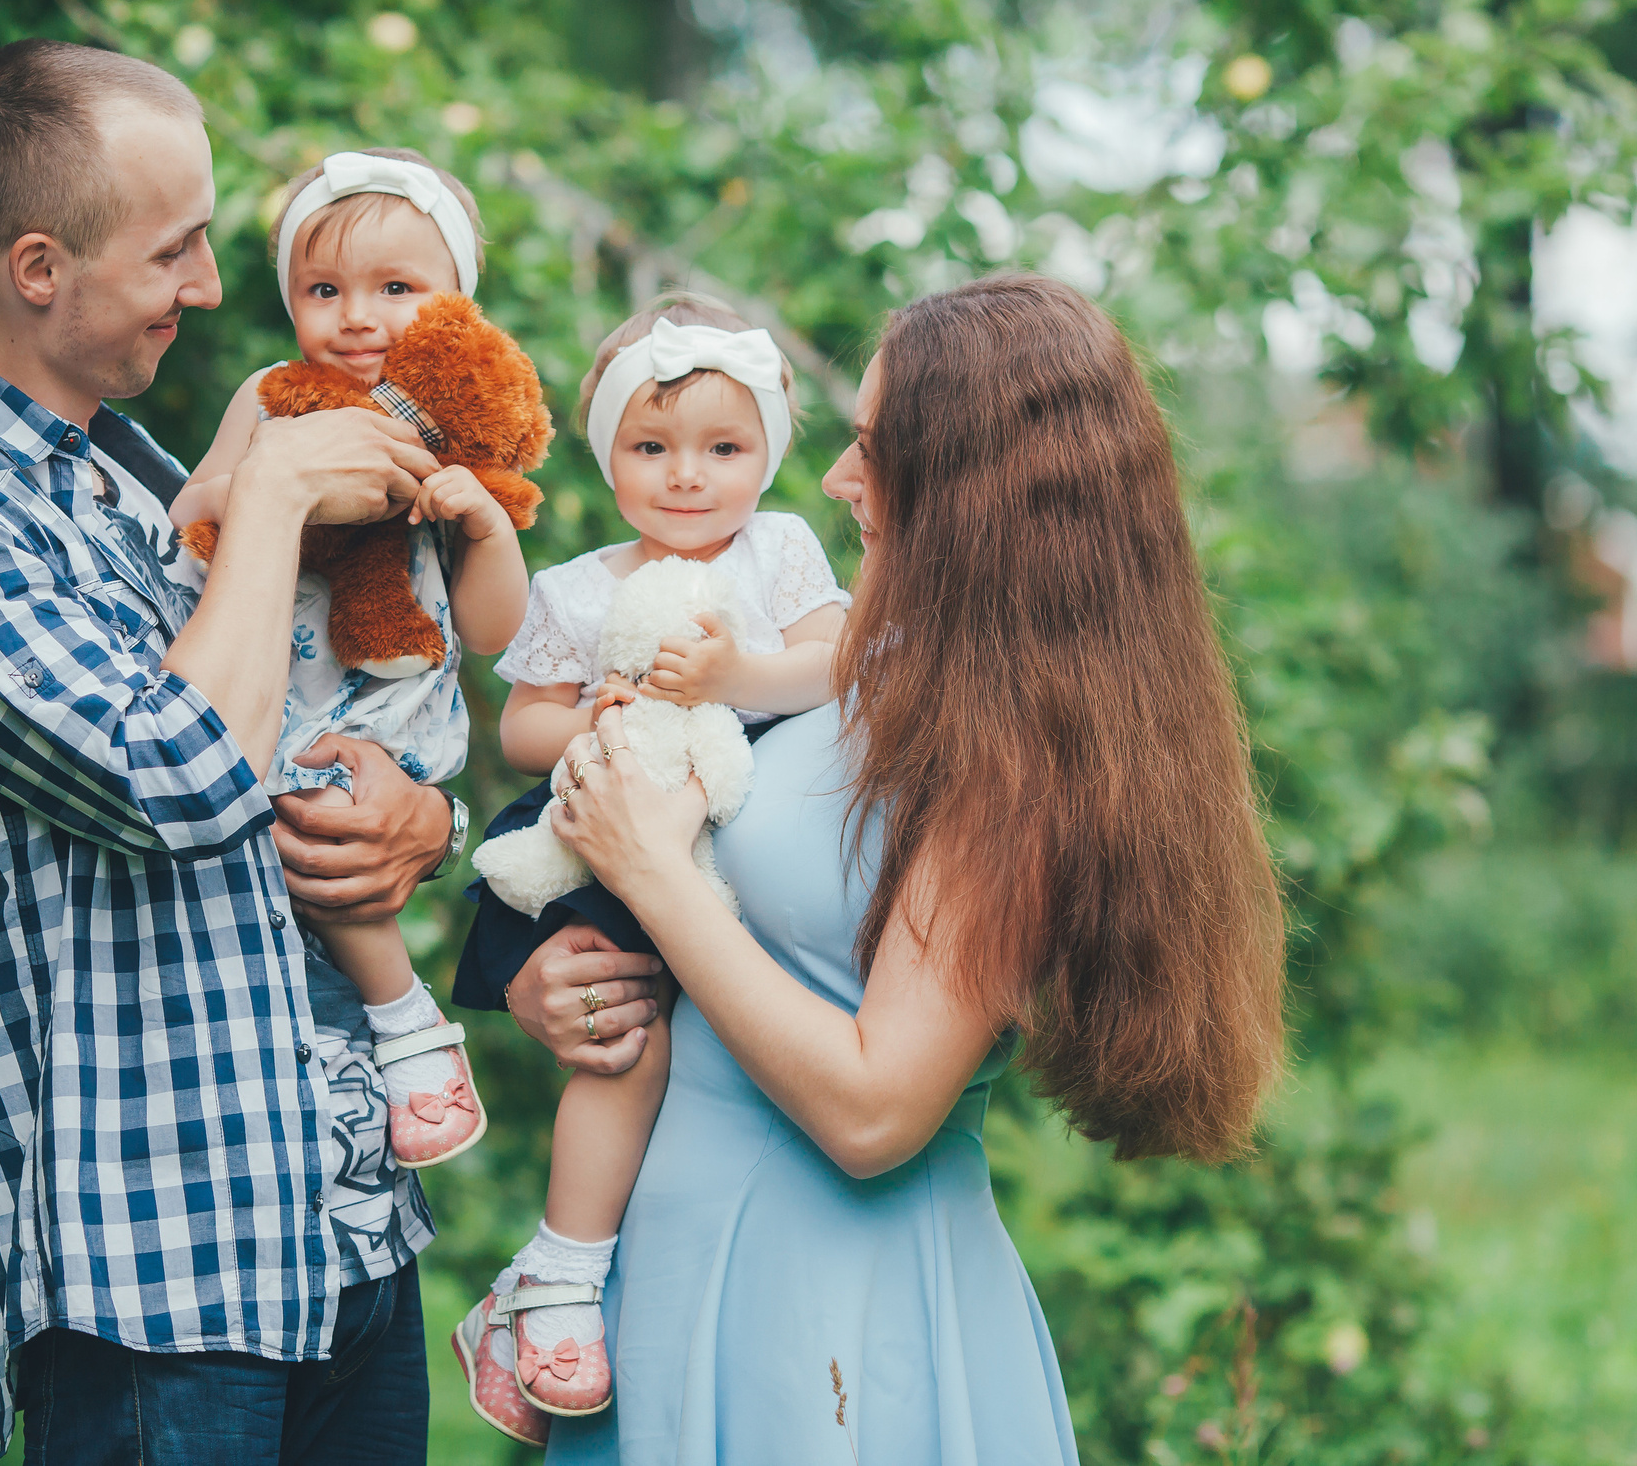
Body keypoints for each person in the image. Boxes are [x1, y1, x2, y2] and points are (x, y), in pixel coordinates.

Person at [0, 39, 469, 1466]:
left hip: (339, 1221)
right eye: (175, 249)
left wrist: (428, 815)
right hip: (144, 1282)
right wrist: (275, 496)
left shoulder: (140, 473)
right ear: (38, 268)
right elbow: (172, 777)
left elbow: (327, 717)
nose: (213, 288)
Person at [509, 273, 1289, 1462]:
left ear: (972, 485)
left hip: (832, 1315)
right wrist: (566, 981)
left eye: (871, 448)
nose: (832, 477)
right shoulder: (872, 664)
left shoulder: (1014, 752)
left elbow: (876, 1110)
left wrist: (654, 876)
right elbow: (736, 924)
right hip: (675, 1262)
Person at [445, 295, 849, 1437]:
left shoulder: (780, 550)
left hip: (737, 833)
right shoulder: (578, 585)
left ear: (769, 452)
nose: (687, 477)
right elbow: (522, 725)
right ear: (606, 451)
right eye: (652, 446)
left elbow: (836, 662)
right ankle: (561, 1270)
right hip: (616, 830)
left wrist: (735, 678)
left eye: (723, 449)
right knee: (627, 1039)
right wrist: (596, 714)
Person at [171, 147, 530, 1173]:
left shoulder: (452, 427)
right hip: (273, 679)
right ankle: (397, 1023)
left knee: (332, 825)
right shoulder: (271, 397)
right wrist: (272, 483)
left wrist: (482, 525)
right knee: (293, 829)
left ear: (457, 304)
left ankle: (406, 1028)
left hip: (382, 704)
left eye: (396, 289)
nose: (357, 317)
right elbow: (187, 512)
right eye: (323, 290)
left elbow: (494, 630)